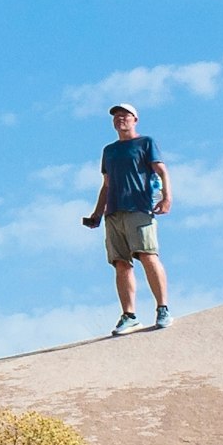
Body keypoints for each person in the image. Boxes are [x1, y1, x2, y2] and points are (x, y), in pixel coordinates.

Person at [81, 102, 170, 333]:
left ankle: (163, 309)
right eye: (117, 116)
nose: (120, 119)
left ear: (135, 119)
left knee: (148, 255)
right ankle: (129, 315)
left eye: (125, 115)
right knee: (121, 263)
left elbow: (161, 171)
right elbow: (106, 184)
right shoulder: (109, 151)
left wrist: (167, 198)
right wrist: (97, 213)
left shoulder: (145, 143)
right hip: (114, 212)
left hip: (138, 208)